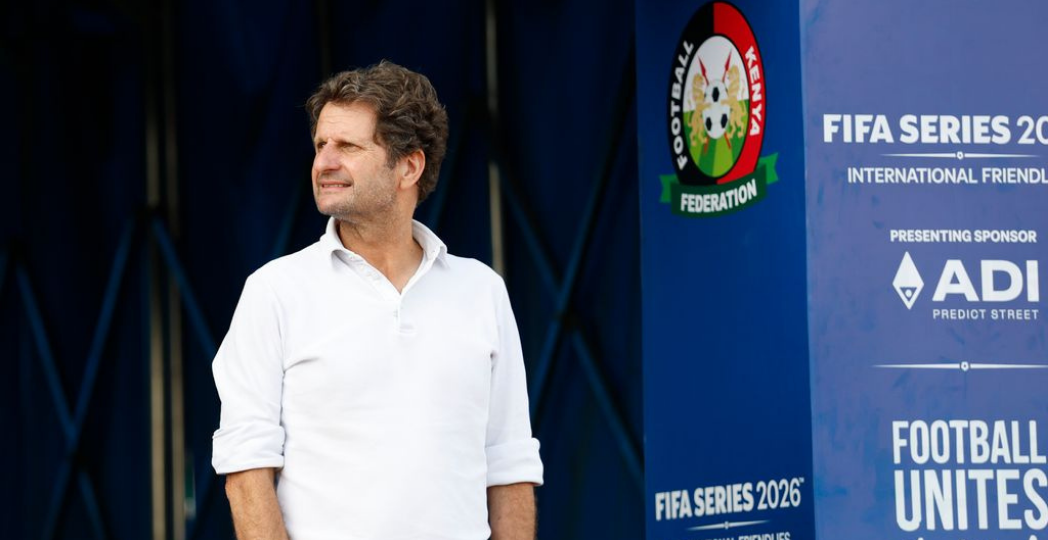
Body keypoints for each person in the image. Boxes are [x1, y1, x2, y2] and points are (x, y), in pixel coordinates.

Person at [211, 60, 543, 540]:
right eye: (321, 144)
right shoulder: (274, 291)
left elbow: (508, 462)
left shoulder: (482, 290)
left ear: (409, 166)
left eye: (348, 146)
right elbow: (246, 470)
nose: (325, 162)